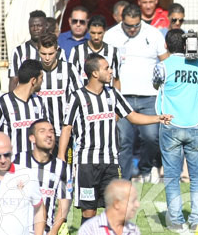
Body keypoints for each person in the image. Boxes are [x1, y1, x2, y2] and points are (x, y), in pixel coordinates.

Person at [60, 54, 170, 222]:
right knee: (89, 212)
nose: (111, 71)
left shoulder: (112, 94)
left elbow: (132, 116)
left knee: (114, 208)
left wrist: (158, 118)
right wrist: (61, 157)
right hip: (86, 164)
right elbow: (67, 127)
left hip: (111, 162)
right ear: (95, 73)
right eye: (106, 68)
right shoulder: (77, 97)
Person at [153, 28, 198, 231]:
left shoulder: (163, 66)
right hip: (195, 125)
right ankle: (196, 219)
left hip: (170, 125)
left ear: (166, 46)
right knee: (197, 177)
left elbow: (156, 85)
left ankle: (176, 220)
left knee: (172, 175)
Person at [104, 4, 168, 182]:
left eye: (136, 26)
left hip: (149, 96)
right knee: (124, 140)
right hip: (121, 97)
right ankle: (124, 179)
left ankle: (145, 168)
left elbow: (166, 61)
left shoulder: (153, 33)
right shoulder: (111, 35)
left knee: (151, 137)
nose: (132, 30)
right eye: (128, 26)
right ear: (121, 21)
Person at [0, 59, 47, 155]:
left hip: (33, 166)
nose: (42, 81)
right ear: (33, 81)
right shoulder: (2, 104)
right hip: (11, 166)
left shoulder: (39, 102)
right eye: (41, 78)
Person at [36, 33, 82, 153]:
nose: (47, 58)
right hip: (41, 135)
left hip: (65, 134)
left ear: (57, 50)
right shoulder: (34, 71)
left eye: (51, 54)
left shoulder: (69, 69)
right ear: (38, 50)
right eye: (43, 54)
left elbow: (80, 98)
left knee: (65, 169)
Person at [69, 15, 122, 92]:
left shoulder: (113, 51)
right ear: (88, 31)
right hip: (84, 97)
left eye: (99, 33)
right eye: (93, 33)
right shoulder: (77, 51)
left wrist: (116, 99)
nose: (96, 37)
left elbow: (116, 79)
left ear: (105, 31)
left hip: (106, 97)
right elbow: (71, 77)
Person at [166, 3, 198, 73]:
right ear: (168, 17)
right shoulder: (159, 34)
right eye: (174, 20)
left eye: (181, 20)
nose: (177, 23)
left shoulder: (189, 37)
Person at [8, 10, 46, 91]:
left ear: (45, 26)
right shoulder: (18, 51)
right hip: (28, 100)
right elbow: (13, 81)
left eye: (39, 25)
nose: (35, 29)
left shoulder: (57, 50)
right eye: (32, 26)